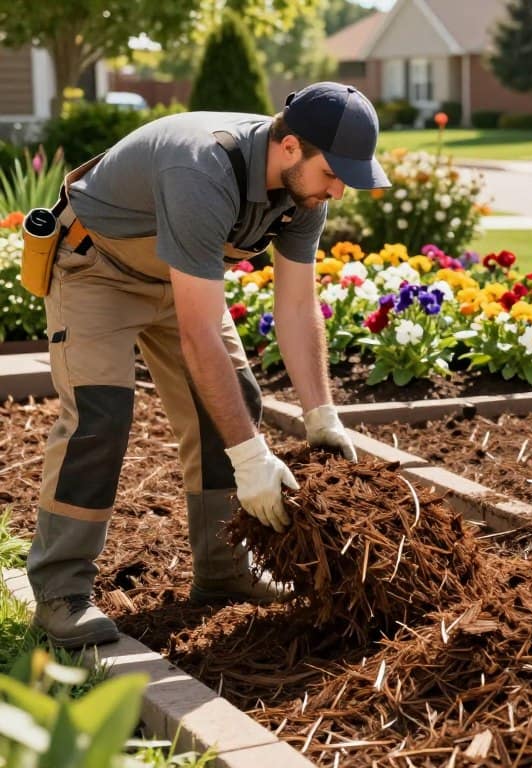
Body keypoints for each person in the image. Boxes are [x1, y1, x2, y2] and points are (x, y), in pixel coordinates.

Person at [27, 82, 391, 649]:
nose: (339, 190)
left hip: (182, 280)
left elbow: (296, 305)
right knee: (100, 416)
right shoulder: (202, 168)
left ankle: (223, 572)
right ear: (290, 146)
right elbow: (201, 335)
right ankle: (60, 592)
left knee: (234, 402)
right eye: (334, 173)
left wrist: (323, 416)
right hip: (96, 270)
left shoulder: (304, 194)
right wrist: (253, 460)